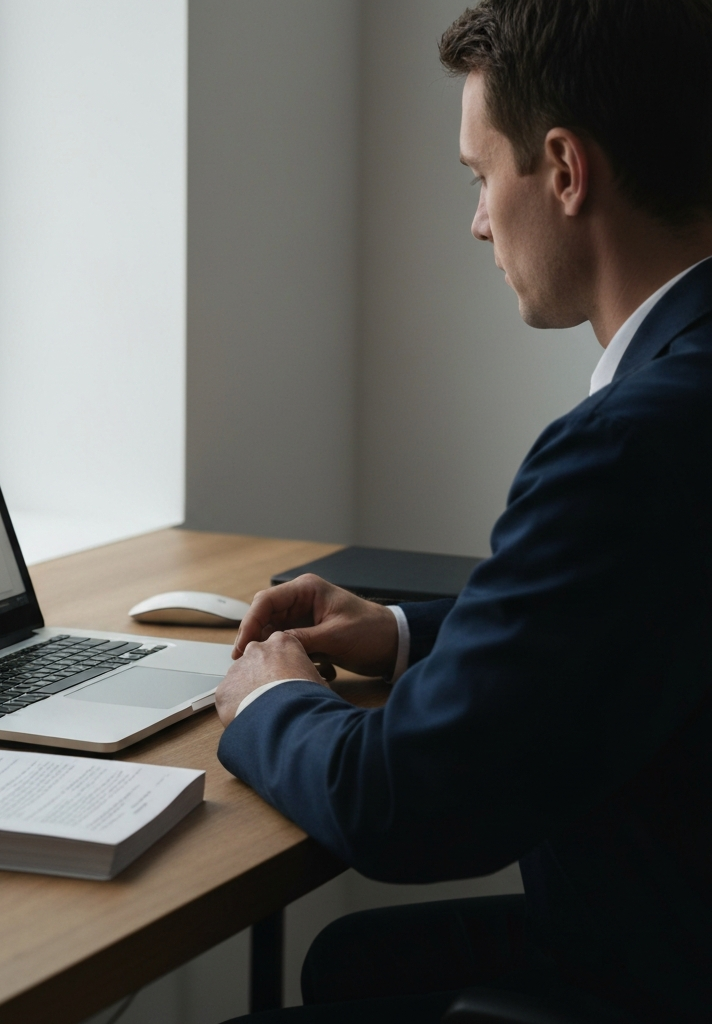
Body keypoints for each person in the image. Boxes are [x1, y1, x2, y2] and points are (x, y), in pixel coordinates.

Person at [216, 1, 712, 1021]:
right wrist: (402, 635)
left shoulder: (628, 443)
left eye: (481, 176)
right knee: (353, 963)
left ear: (566, 171)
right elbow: (636, 608)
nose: (479, 221)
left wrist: (267, 699)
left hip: (658, 965)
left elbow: (399, 807)